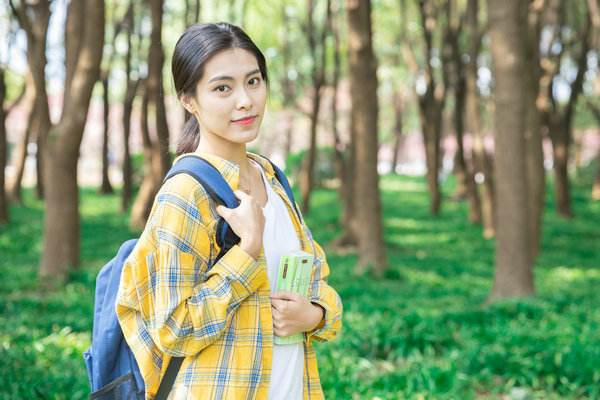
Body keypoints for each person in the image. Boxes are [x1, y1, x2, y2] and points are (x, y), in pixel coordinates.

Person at [116, 22, 343, 399]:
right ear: (189, 100)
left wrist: (315, 314)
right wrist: (245, 253)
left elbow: (318, 280)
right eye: (223, 88)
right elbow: (173, 329)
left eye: (253, 82)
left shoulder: (272, 179)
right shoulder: (185, 194)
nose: (245, 100)